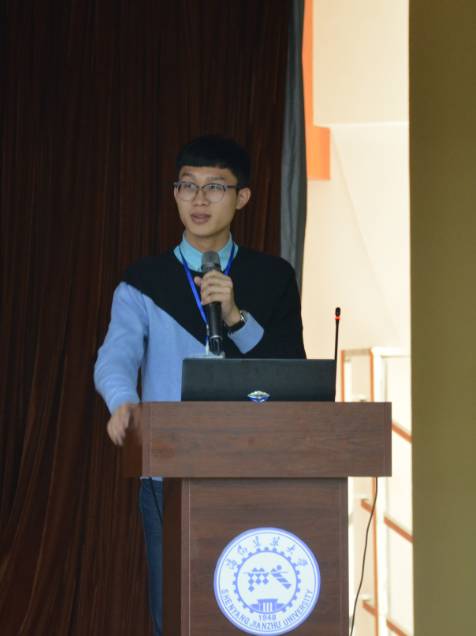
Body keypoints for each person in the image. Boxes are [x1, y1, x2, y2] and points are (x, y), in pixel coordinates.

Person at [94, 135, 306, 634]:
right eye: (188, 186)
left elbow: (292, 373)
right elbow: (116, 356)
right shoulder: (144, 281)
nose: (199, 199)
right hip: (171, 465)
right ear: (175, 194)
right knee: (178, 612)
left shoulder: (272, 277)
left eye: (215, 187)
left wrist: (236, 317)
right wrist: (122, 402)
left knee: (252, 608)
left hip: (253, 466)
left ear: (242, 197)